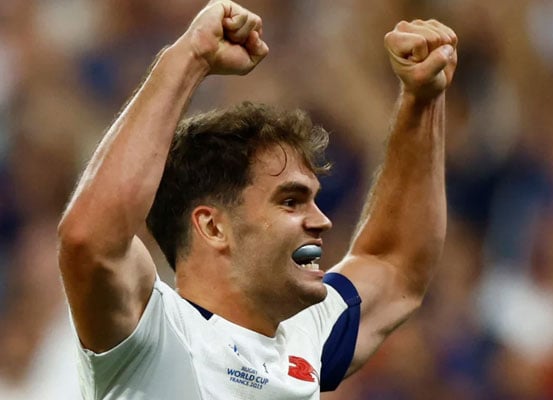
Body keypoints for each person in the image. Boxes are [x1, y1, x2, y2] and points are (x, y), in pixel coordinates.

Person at [57, 1, 458, 399]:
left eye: (312, 200)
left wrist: (422, 99)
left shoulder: (306, 335)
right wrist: (188, 56)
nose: (322, 221)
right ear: (213, 226)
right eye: (290, 202)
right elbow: (88, 239)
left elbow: (395, 262)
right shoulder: (154, 331)